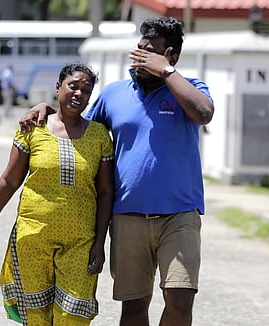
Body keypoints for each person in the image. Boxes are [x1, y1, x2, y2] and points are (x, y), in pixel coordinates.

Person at [19, 17, 214, 326]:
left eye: (149, 53)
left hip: (179, 217)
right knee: (134, 308)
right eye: (138, 49)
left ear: (172, 57)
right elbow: (78, 125)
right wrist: (46, 107)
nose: (139, 57)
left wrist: (165, 72)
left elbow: (204, 113)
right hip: (127, 218)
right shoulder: (114, 94)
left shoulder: (188, 88)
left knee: (179, 301)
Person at [0, 63, 114, 325]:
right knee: (36, 316)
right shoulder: (33, 128)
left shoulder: (99, 136)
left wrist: (100, 242)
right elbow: (9, 180)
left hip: (80, 243)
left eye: (86, 90)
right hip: (33, 239)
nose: (78, 94)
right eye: (73, 85)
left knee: (72, 315)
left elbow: (106, 193)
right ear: (58, 87)